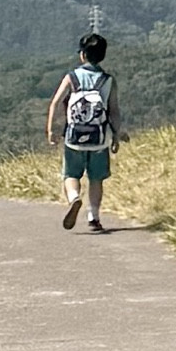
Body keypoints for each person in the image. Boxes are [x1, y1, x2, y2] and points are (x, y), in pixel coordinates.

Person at [47, 31, 123, 232]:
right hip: (100, 139)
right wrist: (116, 135)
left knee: (71, 175)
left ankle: (74, 198)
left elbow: (55, 103)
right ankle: (94, 217)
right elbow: (114, 110)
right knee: (96, 179)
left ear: (82, 55)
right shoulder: (108, 81)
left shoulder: (72, 77)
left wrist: (51, 130)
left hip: (74, 138)